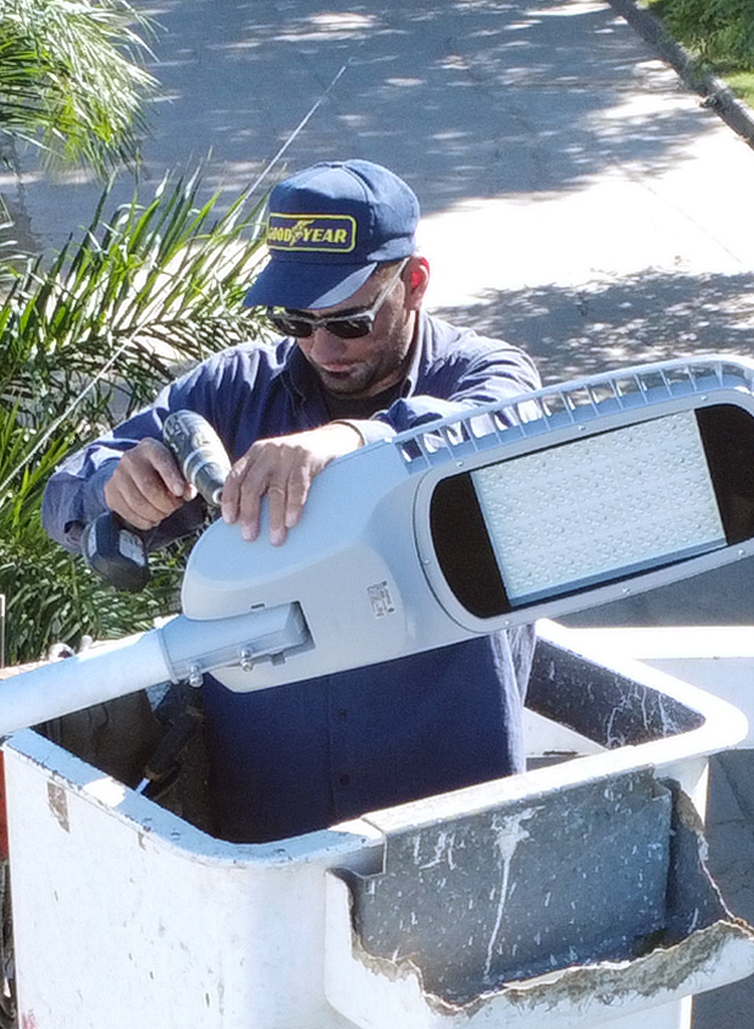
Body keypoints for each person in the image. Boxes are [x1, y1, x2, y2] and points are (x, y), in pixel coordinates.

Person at [42, 159, 542, 844]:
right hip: (266, 818)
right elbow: (66, 493)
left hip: (448, 816)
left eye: (351, 320)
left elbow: (500, 427)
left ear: (415, 283)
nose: (322, 347)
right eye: (297, 320)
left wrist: (350, 441)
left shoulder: (484, 371)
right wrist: (118, 485)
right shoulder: (235, 390)